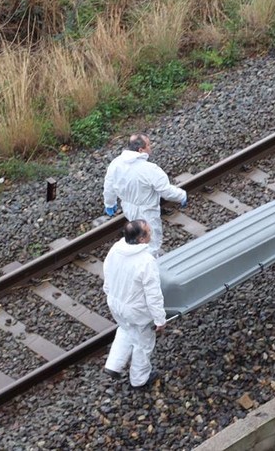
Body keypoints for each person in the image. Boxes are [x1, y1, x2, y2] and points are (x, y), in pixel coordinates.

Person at [103, 219, 166, 389]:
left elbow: (107, 271)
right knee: (143, 344)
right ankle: (139, 379)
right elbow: (153, 294)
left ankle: (113, 365)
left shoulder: (116, 249)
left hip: (115, 303)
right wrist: (160, 320)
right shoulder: (146, 261)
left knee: (125, 329)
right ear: (141, 239)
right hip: (137, 311)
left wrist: (109, 292)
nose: (151, 233)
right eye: (148, 232)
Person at [103, 133, 187, 257]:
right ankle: (152, 264)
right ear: (141, 150)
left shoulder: (116, 164)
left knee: (138, 237)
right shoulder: (149, 169)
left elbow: (109, 186)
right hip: (147, 210)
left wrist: (109, 203)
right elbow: (165, 190)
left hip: (128, 208)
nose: (150, 147)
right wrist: (181, 196)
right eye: (148, 145)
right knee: (151, 240)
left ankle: (141, 258)